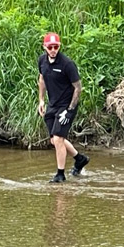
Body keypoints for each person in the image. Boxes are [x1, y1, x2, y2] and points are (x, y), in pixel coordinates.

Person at [37, 33, 88, 183]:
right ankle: (80, 159)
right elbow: (41, 79)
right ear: (45, 47)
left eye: (56, 47)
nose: (53, 50)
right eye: (50, 47)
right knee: (54, 140)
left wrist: (70, 110)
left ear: (59, 46)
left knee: (59, 138)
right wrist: (41, 100)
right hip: (52, 104)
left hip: (67, 105)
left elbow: (78, 88)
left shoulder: (67, 64)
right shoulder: (42, 61)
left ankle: (60, 174)